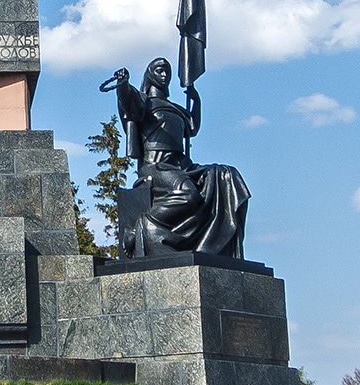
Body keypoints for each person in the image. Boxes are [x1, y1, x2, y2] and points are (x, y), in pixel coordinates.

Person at [103, 57, 250, 258]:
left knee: (227, 175)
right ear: (149, 75)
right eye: (159, 70)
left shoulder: (175, 108)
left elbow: (192, 128)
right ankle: (140, 226)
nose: (164, 75)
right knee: (188, 193)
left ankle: (216, 249)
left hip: (181, 165)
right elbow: (128, 102)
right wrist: (123, 84)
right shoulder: (144, 102)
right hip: (156, 166)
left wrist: (196, 101)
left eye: (167, 72)